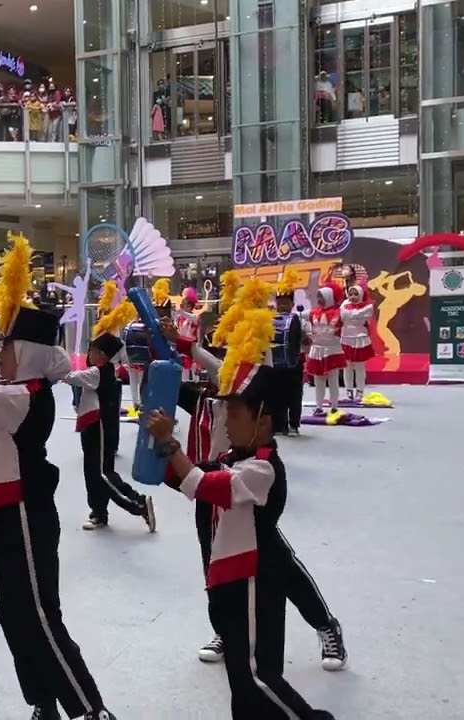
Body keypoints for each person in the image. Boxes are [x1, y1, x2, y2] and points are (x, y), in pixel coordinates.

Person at [0, 234, 117, 720]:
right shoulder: (13, 390)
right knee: (15, 617)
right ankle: (43, 702)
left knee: (38, 616)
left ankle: (90, 708)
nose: (1, 353)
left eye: (7, 346)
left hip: (26, 514)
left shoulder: (26, 395)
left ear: (28, 352)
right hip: (6, 516)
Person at [144, 313, 336, 719]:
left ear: (263, 422)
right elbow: (189, 482)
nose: (224, 423)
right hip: (231, 579)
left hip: (255, 581)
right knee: (240, 683)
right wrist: (160, 462)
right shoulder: (234, 457)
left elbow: (207, 486)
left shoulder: (262, 469)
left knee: (258, 676)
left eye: (233, 416)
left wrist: (170, 447)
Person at [62, 283, 156, 533]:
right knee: (92, 472)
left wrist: (59, 367)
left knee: (102, 473)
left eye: (92, 351)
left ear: (100, 354)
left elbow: (73, 376)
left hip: (98, 427)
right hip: (93, 426)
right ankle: (99, 512)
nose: (89, 354)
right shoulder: (104, 372)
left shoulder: (99, 372)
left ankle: (138, 504)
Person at [271, 269, 306, 436]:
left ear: (292, 304)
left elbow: (299, 340)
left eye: (286, 303)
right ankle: (280, 424)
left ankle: (294, 424)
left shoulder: (297, 319)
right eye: (280, 303)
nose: (283, 306)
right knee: (277, 395)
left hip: (293, 364)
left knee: (294, 395)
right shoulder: (270, 319)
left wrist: (303, 341)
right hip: (276, 364)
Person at [306, 284, 347, 414]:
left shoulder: (340, 312)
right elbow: (298, 314)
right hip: (317, 351)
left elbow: (352, 314)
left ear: (329, 297)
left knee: (333, 380)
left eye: (321, 296)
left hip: (332, 350)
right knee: (319, 381)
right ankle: (319, 407)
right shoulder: (313, 312)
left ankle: (334, 406)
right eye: (317, 296)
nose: (318, 299)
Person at [340, 283, 375, 402]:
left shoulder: (368, 307)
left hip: (360, 339)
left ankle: (360, 392)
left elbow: (353, 315)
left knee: (359, 367)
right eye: (350, 294)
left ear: (361, 295)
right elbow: (342, 316)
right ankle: (348, 392)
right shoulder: (344, 304)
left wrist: (348, 314)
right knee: (347, 367)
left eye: (356, 294)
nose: (353, 297)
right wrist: (348, 314)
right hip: (345, 338)